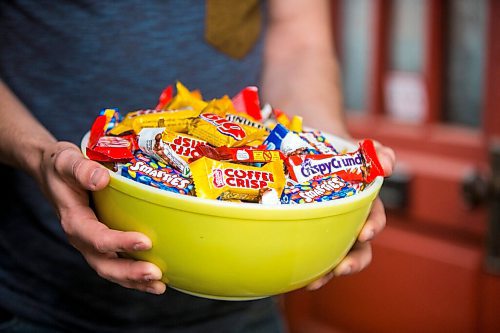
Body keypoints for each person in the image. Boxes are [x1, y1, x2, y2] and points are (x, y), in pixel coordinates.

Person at [0, 0, 396, 332]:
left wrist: (335, 166)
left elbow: (298, 40)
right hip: (41, 298)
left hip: (246, 298)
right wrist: (39, 154)